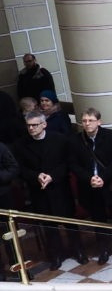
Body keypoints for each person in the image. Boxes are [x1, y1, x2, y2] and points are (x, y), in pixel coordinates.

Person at [14, 111, 86, 269]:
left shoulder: (59, 139)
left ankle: (78, 250)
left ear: (44, 124)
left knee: (70, 222)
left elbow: (68, 163)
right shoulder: (21, 144)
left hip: (60, 188)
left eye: (35, 125)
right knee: (49, 225)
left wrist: (52, 176)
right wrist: (37, 176)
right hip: (39, 191)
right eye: (28, 125)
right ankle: (56, 255)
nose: (31, 128)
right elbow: (20, 169)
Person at [70, 108, 112, 264]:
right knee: (98, 220)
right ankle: (104, 249)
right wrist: (89, 178)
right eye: (84, 121)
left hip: (110, 184)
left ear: (99, 122)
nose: (87, 124)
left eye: (90, 120)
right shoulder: (76, 140)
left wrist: (103, 178)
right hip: (90, 186)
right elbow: (74, 164)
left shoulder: (111, 136)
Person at [0, 141, 19, 281]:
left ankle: (18, 268)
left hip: (3, 197)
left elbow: (13, 168)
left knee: (10, 234)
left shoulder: (1, 147)